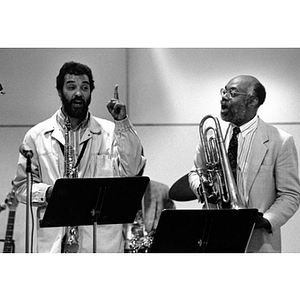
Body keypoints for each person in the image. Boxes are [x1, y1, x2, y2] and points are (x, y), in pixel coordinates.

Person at [13, 61, 146, 253]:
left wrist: (122, 123)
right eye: (71, 87)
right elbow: (22, 187)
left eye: (84, 88)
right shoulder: (37, 135)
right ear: (59, 91)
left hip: (100, 244)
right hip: (55, 243)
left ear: (91, 92)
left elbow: (132, 170)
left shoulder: (111, 131)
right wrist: (49, 193)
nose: (78, 93)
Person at [189, 75, 300, 253]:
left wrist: (266, 220)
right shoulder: (211, 134)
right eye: (223, 91)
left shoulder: (280, 141)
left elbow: (290, 195)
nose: (223, 97)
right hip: (214, 236)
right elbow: (196, 173)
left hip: (258, 242)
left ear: (252, 101)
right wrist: (202, 188)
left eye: (232, 93)